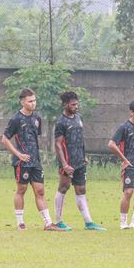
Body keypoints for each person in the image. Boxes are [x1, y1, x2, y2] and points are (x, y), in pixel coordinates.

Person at [1, 88, 60, 231]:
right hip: (22, 162)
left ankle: (48, 223)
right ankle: (20, 222)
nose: (33, 103)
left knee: (40, 191)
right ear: (22, 102)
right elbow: (4, 139)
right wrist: (18, 154)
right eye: (30, 101)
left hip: (36, 161)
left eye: (34, 100)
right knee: (22, 189)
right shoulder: (16, 119)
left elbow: (34, 138)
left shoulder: (37, 118)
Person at [53, 91, 107, 232]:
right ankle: (58, 222)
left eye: (77, 104)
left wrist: (83, 156)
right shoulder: (61, 122)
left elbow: (80, 139)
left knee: (81, 189)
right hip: (68, 162)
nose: (76, 106)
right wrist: (64, 164)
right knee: (63, 188)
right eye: (73, 104)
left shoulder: (79, 118)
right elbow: (58, 144)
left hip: (79, 161)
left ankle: (89, 223)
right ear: (65, 104)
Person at [108, 100, 134, 230]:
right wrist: (124, 159)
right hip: (130, 165)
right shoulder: (124, 128)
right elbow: (111, 144)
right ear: (132, 112)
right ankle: (123, 222)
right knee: (128, 192)